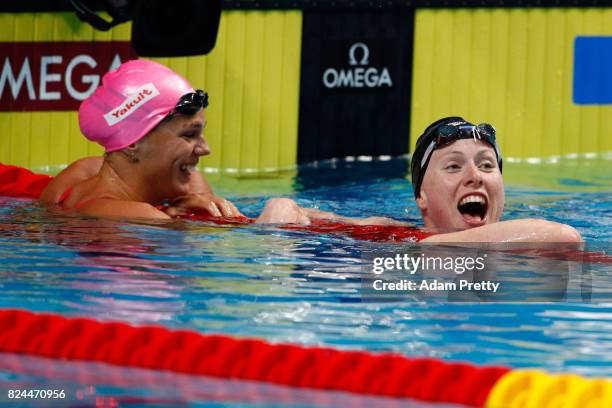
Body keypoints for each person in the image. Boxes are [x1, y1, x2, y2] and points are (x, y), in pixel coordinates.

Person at [256, 117, 583, 243]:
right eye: (453, 167)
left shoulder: (412, 243)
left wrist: (427, 246)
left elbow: (564, 237)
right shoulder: (390, 233)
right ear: (421, 198)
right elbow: (287, 211)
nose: (474, 177)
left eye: (486, 166)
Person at [40, 60, 242, 220]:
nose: (206, 149)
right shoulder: (139, 217)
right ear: (131, 142)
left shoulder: (80, 176)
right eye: (189, 135)